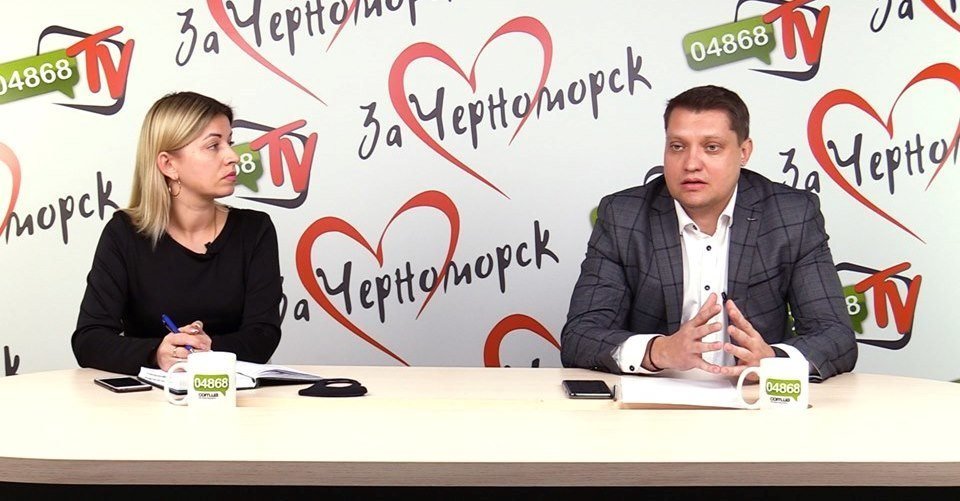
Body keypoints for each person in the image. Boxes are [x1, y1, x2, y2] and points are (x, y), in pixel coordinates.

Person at [561, 85, 856, 382]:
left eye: (711, 147)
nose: (691, 164)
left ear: (744, 152)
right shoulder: (623, 217)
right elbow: (580, 336)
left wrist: (772, 363)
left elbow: (835, 336)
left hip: (751, 401)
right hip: (654, 402)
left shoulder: (791, 216)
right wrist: (657, 351)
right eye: (678, 146)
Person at [72, 91, 282, 375]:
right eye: (214, 146)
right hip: (148, 397)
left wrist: (207, 349)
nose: (233, 157)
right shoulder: (124, 233)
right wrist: (158, 353)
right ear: (169, 164)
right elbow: (89, 340)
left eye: (229, 143)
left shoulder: (255, 229)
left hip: (232, 393)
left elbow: (263, 335)